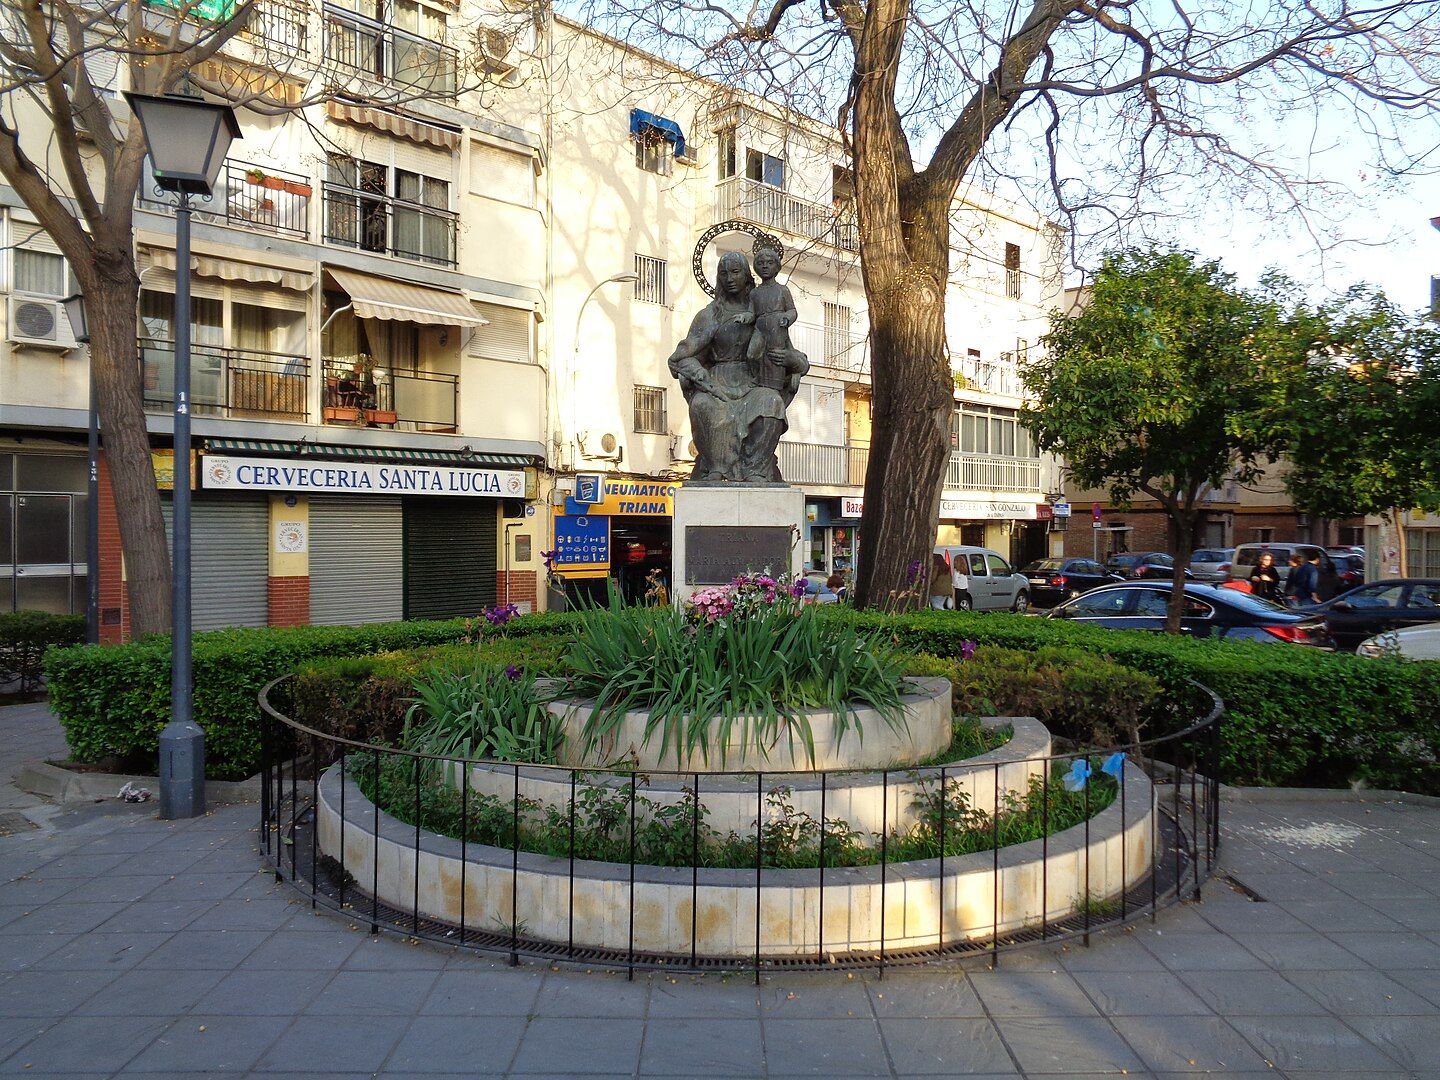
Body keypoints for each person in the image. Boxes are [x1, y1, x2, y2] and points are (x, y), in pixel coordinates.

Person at [668, 251, 808, 482]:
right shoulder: (709, 315)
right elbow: (681, 357)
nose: (730, 278)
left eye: (735, 272)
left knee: (771, 402)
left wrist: (793, 361)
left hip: (754, 381)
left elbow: (793, 354)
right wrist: (700, 375)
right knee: (703, 404)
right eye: (724, 273)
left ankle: (756, 470)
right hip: (718, 381)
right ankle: (717, 467)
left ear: (746, 275)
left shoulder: (763, 312)